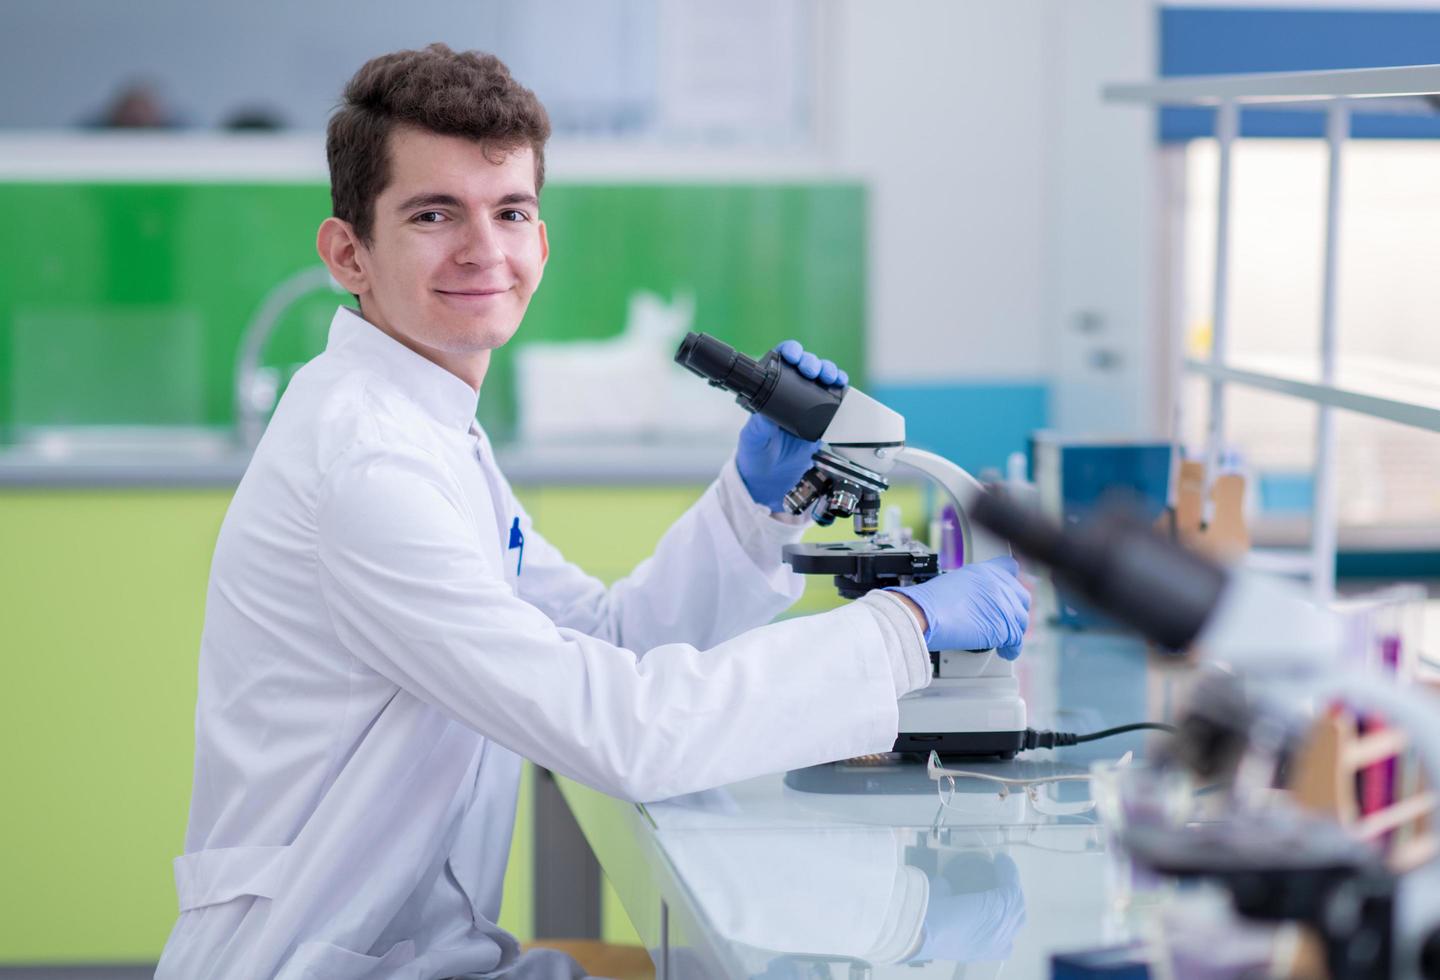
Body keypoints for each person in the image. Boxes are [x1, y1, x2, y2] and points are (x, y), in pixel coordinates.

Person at [156, 43, 1029, 980]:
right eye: (433, 213)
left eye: (511, 212)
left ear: (542, 239)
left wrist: (755, 505)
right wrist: (902, 629)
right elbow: (626, 731)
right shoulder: (369, 466)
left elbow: (609, 639)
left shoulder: (428, 426)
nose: (483, 249)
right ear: (349, 253)